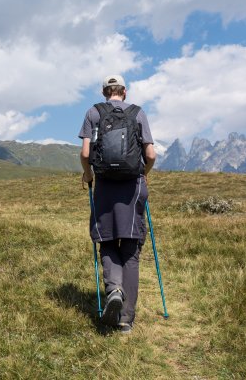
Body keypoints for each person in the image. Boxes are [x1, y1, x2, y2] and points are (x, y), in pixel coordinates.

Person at [78, 74, 156, 334]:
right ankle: (125, 319)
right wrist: (144, 173)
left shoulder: (93, 112)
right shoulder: (138, 113)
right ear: (124, 91)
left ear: (104, 92)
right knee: (131, 250)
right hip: (133, 187)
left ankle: (114, 289)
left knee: (108, 242)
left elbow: (86, 153)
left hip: (105, 188)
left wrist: (88, 174)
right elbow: (150, 154)